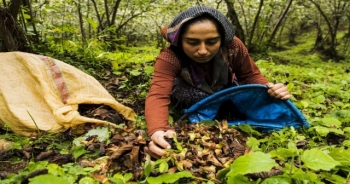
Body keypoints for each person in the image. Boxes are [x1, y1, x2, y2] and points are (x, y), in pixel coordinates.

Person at [145, 6, 290, 156]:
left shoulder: (234, 47)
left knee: (243, 92)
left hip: (226, 86)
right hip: (191, 90)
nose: (202, 50)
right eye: (192, 42)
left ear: (222, 39)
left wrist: (269, 88)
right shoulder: (170, 56)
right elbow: (158, 94)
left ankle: (222, 104)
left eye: (212, 41)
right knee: (189, 95)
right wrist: (158, 129)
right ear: (180, 40)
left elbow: (250, 76)